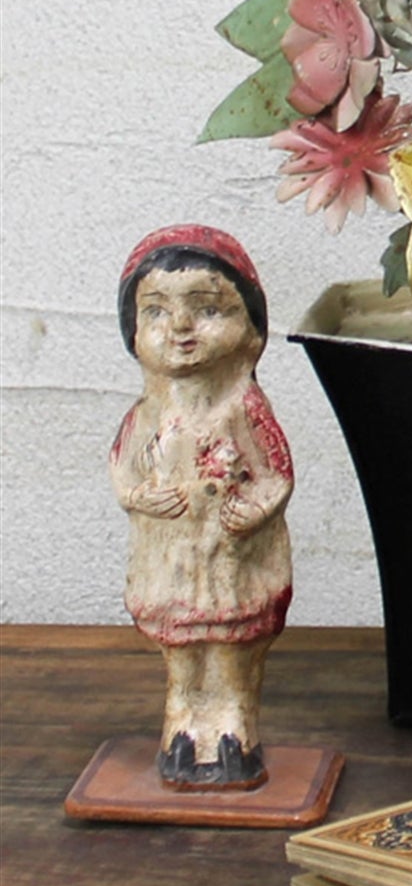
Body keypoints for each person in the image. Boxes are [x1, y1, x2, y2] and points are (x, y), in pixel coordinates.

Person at [111, 227, 293, 788]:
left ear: (250, 330)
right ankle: (183, 724)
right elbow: (124, 470)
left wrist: (257, 508)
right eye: (156, 312)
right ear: (134, 331)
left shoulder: (244, 407)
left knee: (232, 648)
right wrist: (139, 496)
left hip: (229, 558)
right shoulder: (145, 414)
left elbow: (277, 473)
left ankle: (234, 726)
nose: (181, 328)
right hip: (172, 559)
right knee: (182, 648)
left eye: (208, 309)